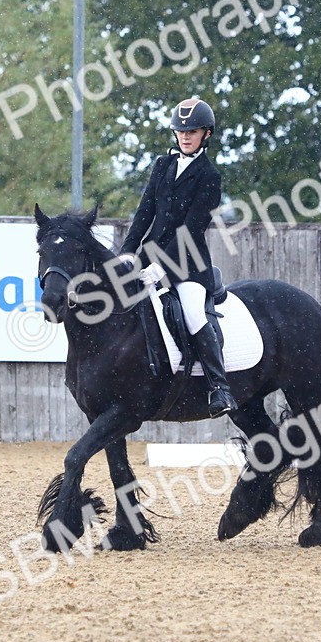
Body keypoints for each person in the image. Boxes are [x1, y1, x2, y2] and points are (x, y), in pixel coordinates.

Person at [120, 97, 238, 417]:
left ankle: (219, 388)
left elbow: (192, 228)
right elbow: (145, 212)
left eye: (193, 131)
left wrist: (162, 266)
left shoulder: (209, 176)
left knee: (193, 313)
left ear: (207, 134)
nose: (185, 136)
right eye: (180, 131)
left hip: (188, 263)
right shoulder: (162, 165)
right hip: (149, 254)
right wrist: (129, 251)